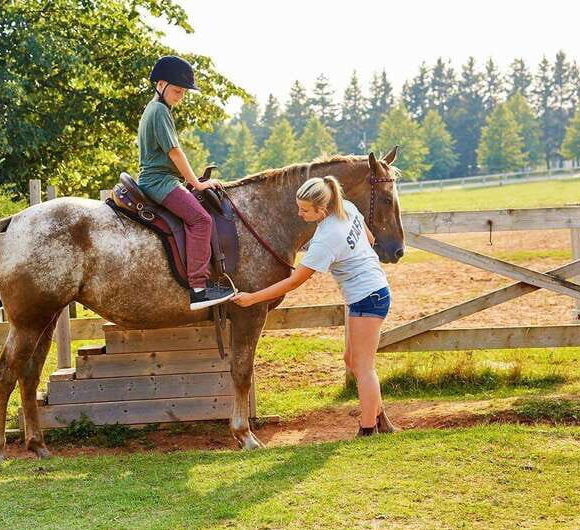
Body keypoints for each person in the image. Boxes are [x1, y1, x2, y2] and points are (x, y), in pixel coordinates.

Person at [231, 176, 393, 437]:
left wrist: (252, 298)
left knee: (364, 368)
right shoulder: (347, 207)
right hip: (372, 290)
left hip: (367, 297)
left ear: (322, 209)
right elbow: (370, 238)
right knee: (352, 360)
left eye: (305, 210)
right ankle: (379, 420)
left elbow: (293, 281)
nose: (299, 213)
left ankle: (368, 429)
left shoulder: (327, 238)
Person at [137, 55, 235, 310]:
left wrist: (190, 181)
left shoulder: (156, 109)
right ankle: (199, 290)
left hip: (163, 179)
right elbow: (174, 152)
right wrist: (196, 183)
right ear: (160, 85)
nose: (180, 96)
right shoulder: (159, 110)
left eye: (183, 92)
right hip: (159, 181)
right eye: (177, 90)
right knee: (201, 220)